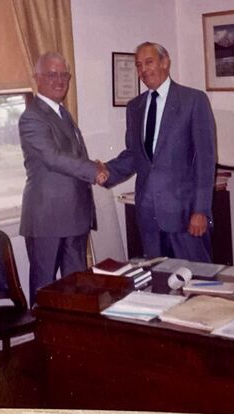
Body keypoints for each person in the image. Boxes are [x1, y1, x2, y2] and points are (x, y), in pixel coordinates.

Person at [101, 42, 216, 262]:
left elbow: (205, 160)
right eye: (138, 65)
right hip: (148, 215)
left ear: (165, 62)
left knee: (197, 276)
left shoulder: (193, 100)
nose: (143, 70)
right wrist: (105, 171)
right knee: (158, 278)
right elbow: (134, 155)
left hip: (185, 215)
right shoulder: (134, 107)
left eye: (149, 62)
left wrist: (201, 210)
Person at [19, 51, 108, 305]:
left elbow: (72, 155)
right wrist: (93, 170)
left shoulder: (63, 112)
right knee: (45, 291)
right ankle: (44, 333)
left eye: (64, 75)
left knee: (77, 289)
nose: (59, 81)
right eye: (52, 75)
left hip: (75, 217)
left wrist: (96, 167)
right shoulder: (31, 117)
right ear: (37, 78)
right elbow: (52, 157)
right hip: (47, 218)